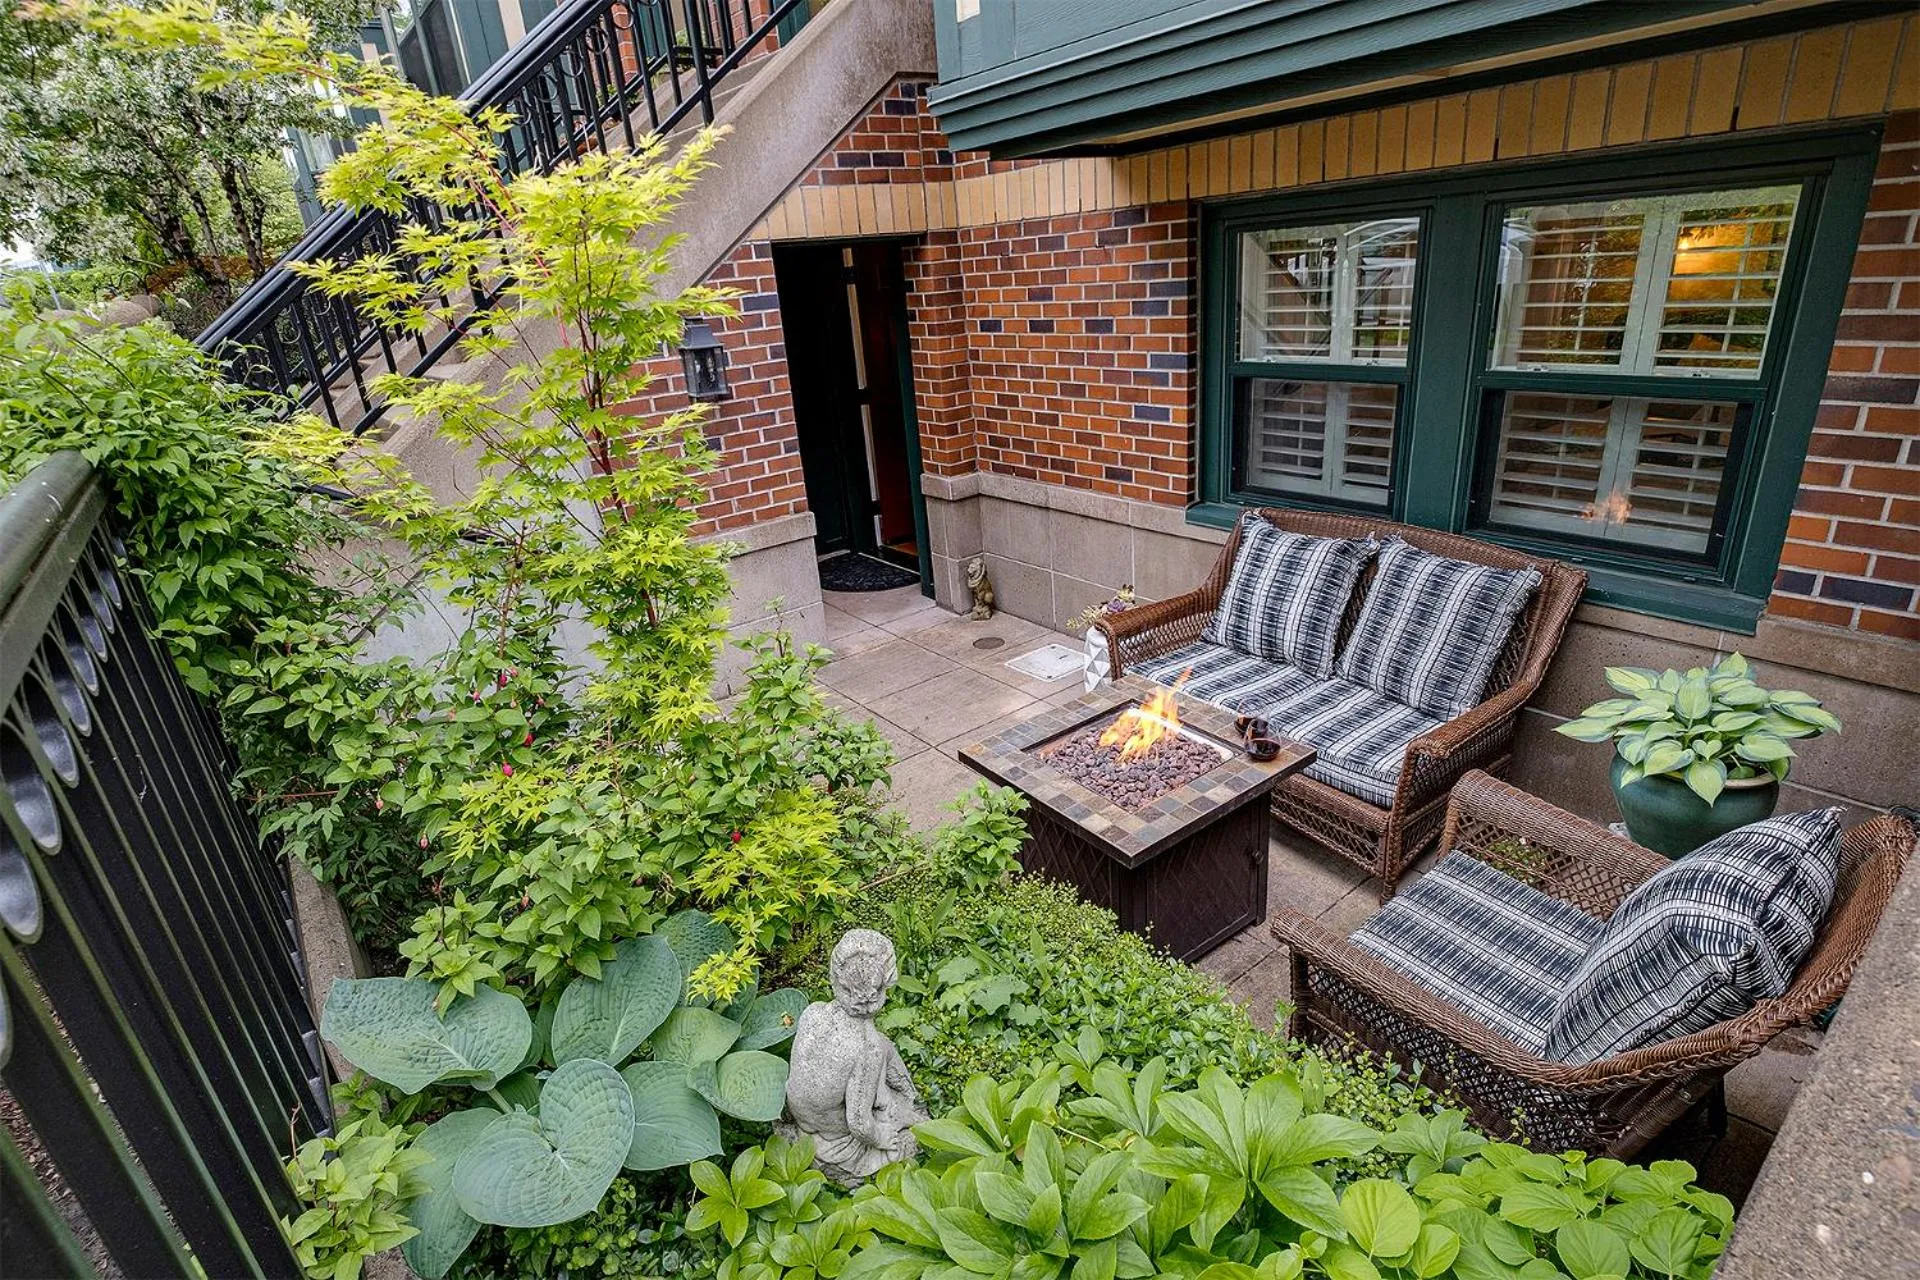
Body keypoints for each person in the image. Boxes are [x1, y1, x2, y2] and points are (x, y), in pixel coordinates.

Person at [782, 929, 926, 1184]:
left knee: (882, 1047)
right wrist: (882, 1137)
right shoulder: (866, 1048)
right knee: (908, 1122)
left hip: (802, 1117)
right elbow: (859, 1124)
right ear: (880, 991)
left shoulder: (813, 1013)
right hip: (835, 1137)